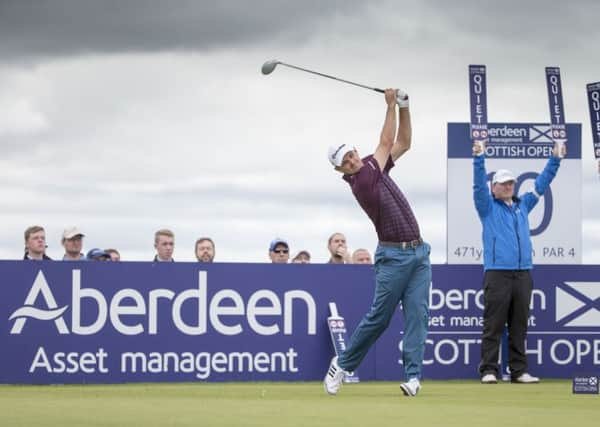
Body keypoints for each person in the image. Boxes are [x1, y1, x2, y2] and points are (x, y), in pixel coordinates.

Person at [323, 89, 431, 397]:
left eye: (352, 153)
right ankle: (342, 364)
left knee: (417, 315)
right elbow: (386, 143)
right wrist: (389, 106)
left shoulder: (373, 165)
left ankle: (412, 377)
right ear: (341, 171)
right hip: (393, 258)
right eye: (345, 161)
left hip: (419, 253)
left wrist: (405, 107)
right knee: (379, 318)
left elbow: (403, 144)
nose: (352, 160)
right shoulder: (363, 181)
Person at [473, 139, 564, 384]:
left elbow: (542, 184)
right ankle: (489, 371)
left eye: (511, 182)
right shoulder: (487, 207)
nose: (508, 186)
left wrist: (555, 159)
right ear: (494, 188)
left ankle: (518, 371)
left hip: (524, 273)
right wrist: (479, 158)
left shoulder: (523, 205)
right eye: (503, 183)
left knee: (519, 325)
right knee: (493, 325)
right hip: (497, 273)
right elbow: (477, 188)